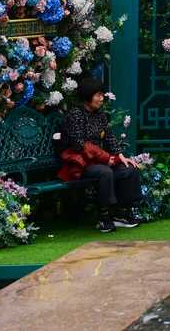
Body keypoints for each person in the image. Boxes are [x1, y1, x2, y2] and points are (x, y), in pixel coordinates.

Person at [56, 79, 145, 232]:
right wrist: (107, 158)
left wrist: (120, 155)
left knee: (128, 169)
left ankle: (122, 213)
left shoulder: (100, 114)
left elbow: (109, 136)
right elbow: (79, 144)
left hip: (101, 160)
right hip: (80, 163)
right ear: (88, 96)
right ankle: (104, 217)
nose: (102, 98)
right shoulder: (75, 115)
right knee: (105, 172)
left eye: (102, 94)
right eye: (98, 95)